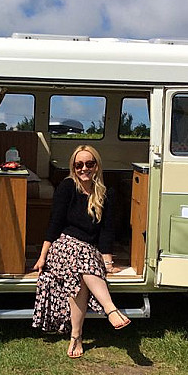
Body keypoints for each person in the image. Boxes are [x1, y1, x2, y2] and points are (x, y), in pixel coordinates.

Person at [32, 144, 131, 358]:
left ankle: (76, 337)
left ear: (97, 166)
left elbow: (106, 231)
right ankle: (111, 310)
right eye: (79, 165)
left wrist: (107, 263)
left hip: (88, 250)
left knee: (80, 273)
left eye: (89, 164)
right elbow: (54, 224)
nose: (84, 169)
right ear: (73, 167)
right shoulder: (67, 187)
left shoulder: (107, 193)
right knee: (81, 259)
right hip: (63, 246)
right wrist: (42, 257)